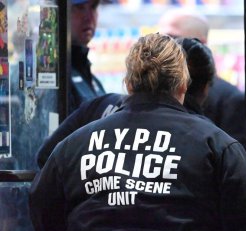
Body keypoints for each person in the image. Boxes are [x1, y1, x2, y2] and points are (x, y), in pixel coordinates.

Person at [29, 33, 246, 231]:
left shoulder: (74, 145)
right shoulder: (217, 145)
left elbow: (45, 223)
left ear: (128, 84)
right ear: (182, 84)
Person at [36, 37, 215, 169]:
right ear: (183, 83)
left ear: (130, 82)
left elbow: (47, 159)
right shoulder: (208, 140)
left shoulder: (99, 107)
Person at [158, 9, 246, 150]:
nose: (163, 47)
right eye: (161, 39)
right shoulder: (155, 90)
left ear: (199, 43)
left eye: (172, 38)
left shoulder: (230, 100)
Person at [69, 0, 106, 114]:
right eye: (80, 8)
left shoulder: (92, 80)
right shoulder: (51, 79)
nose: (89, 17)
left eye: (93, 7)